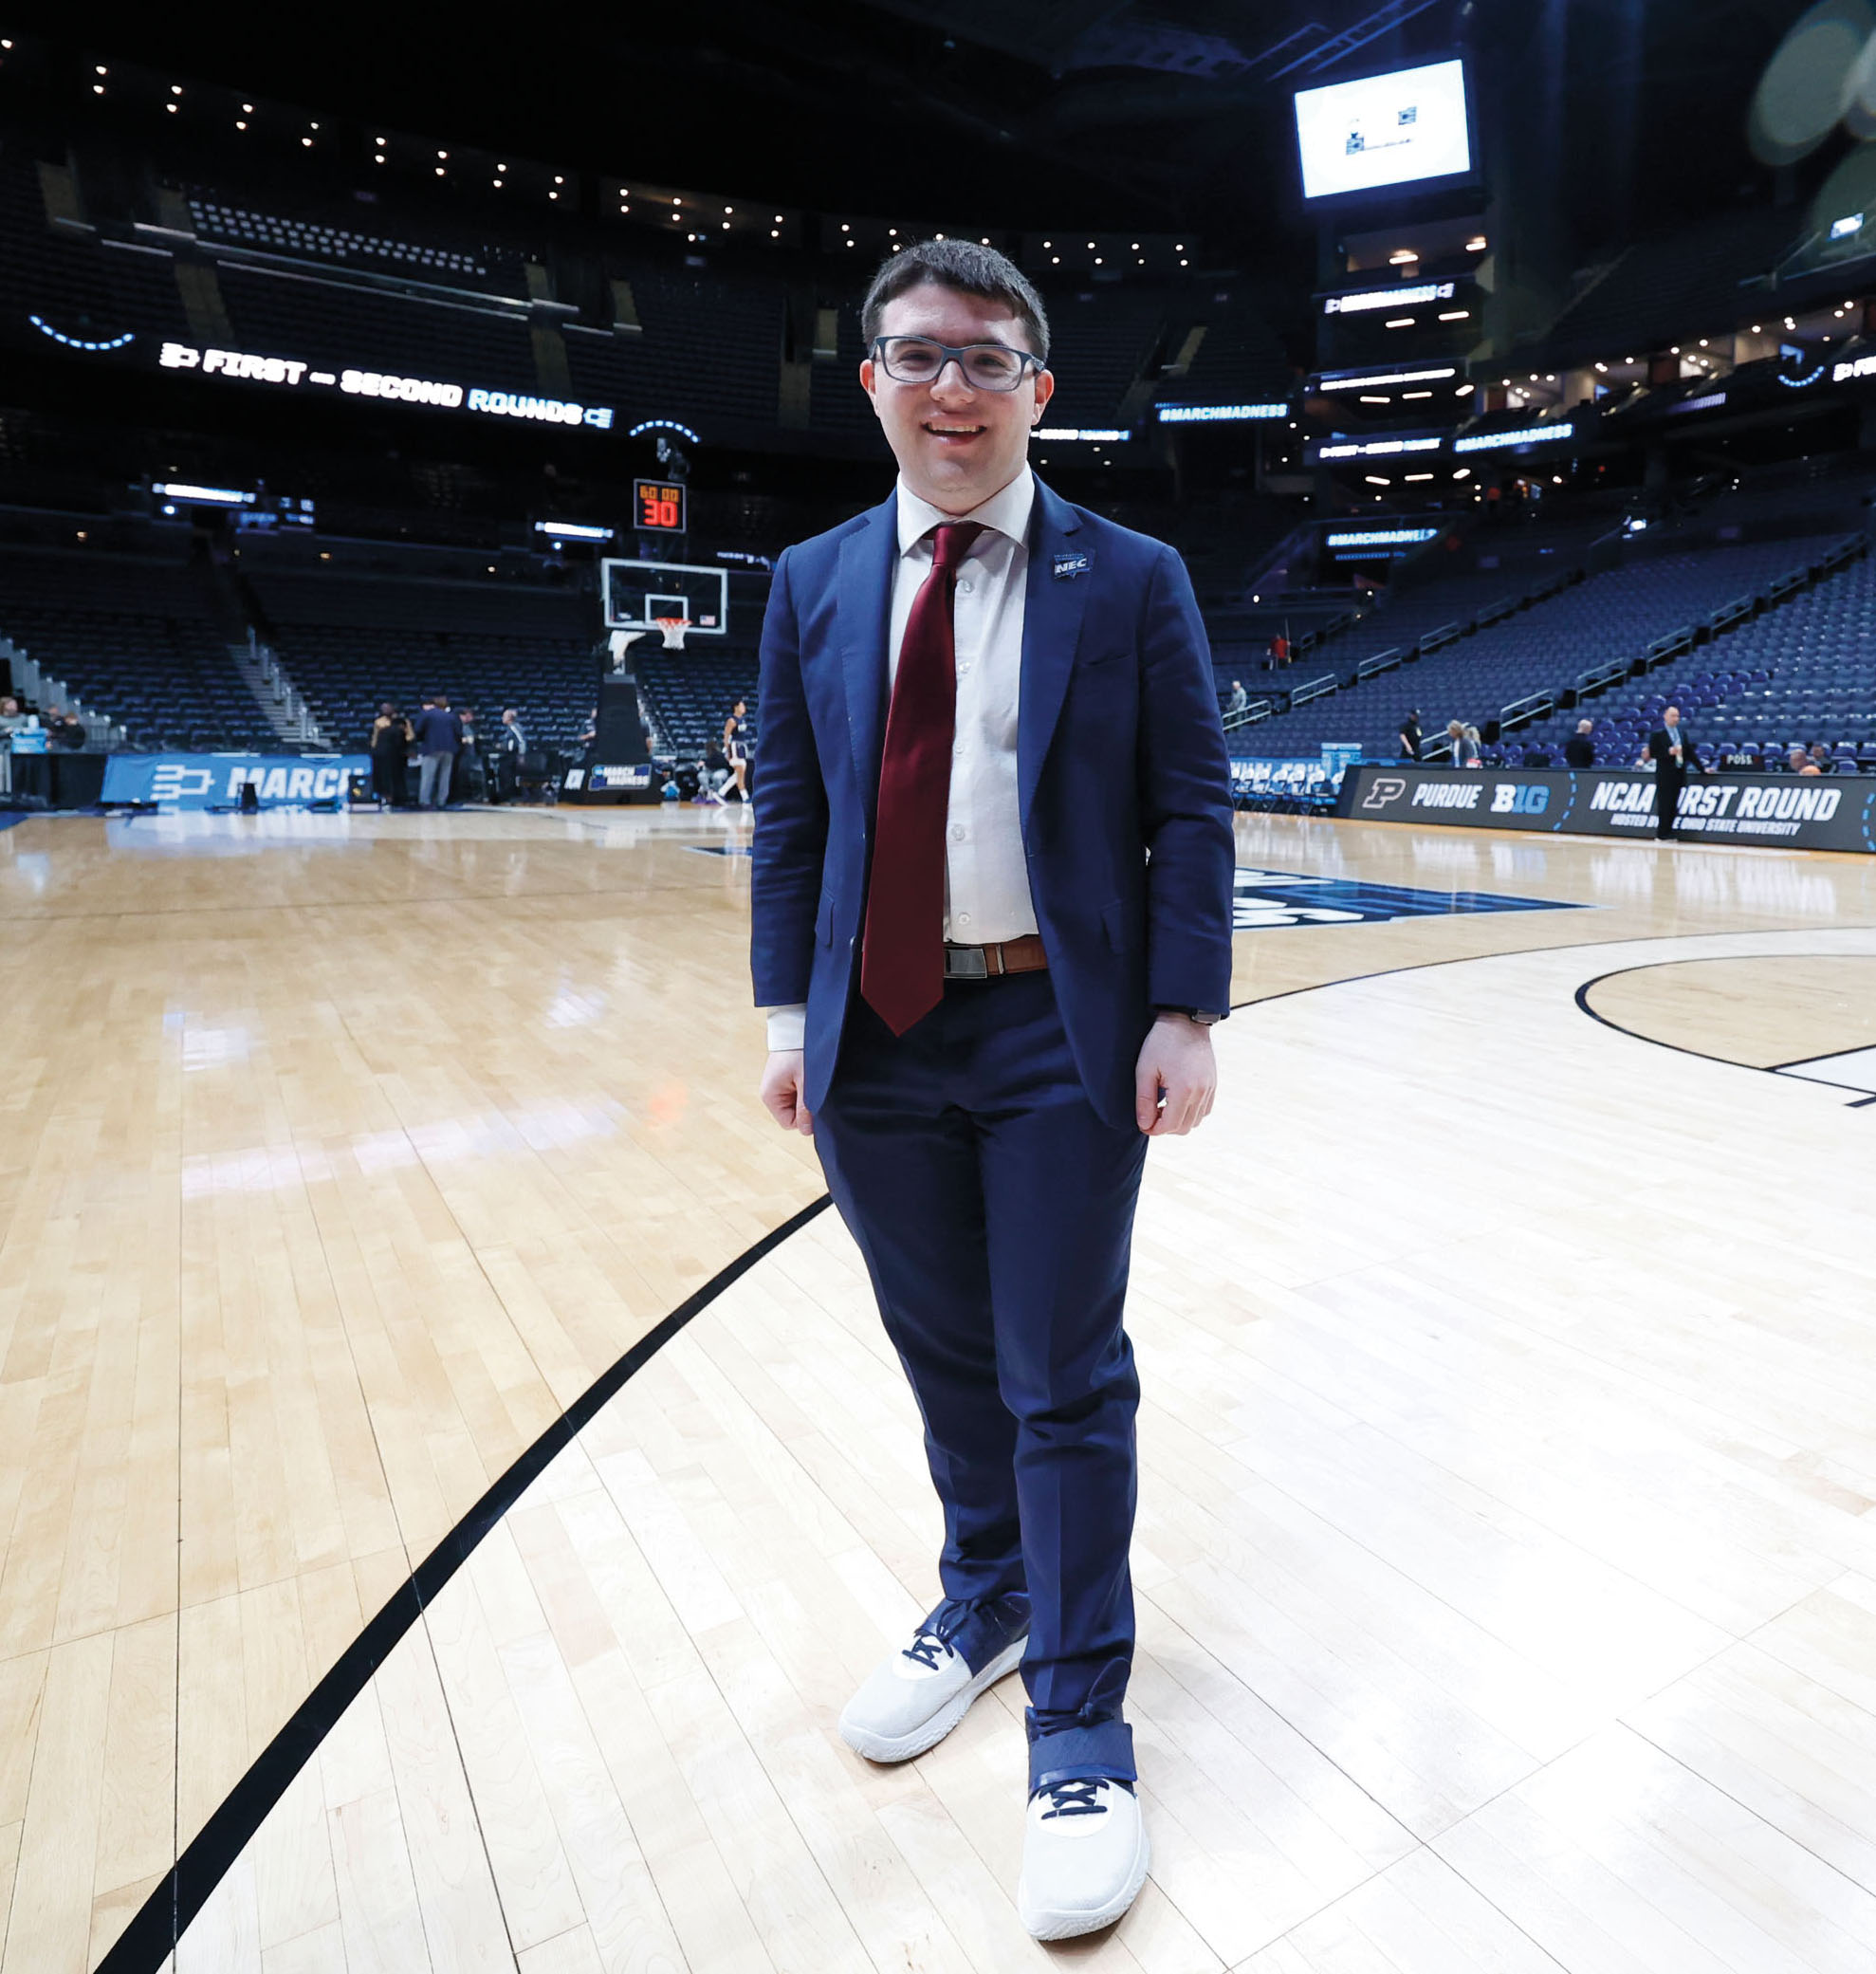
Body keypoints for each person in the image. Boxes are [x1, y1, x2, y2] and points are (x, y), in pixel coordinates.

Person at [751, 239, 1232, 1942]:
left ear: (1036, 388)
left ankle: (1080, 1723)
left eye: (983, 360)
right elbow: (792, 819)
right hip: (870, 1031)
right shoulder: (808, 580)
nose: (947, 387)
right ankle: (987, 1590)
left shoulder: (1132, 573)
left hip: (1057, 1033)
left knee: (1059, 1371)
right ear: (870, 381)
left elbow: (1190, 801)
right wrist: (780, 1017)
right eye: (915, 356)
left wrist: (1180, 1008)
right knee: (941, 1348)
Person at [1647, 704, 1704, 839]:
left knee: (1673, 805)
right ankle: (1661, 833)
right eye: (1673, 715)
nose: (1676, 718)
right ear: (1665, 717)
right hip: (1664, 775)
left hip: (1678, 773)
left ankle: (1670, 831)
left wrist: (1702, 769)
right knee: (1664, 804)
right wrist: (1668, 752)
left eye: (1677, 716)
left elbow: (1690, 753)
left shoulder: (1682, 734)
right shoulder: (1657, 735)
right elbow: (1653, 753)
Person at [410, 693, 461, 810]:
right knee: (445, 776)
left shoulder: (427, 715)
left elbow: (418, 730)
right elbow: (458, 732)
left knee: (428, 776)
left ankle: (425, 801)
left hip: (431, 747)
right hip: (449, 748)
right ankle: (441, 801)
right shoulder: (452, 716)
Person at [370, 703, 411, 806]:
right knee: (384, 777)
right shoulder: (378, 722)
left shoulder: (403, 722)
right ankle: (387, 797)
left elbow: (410, 736)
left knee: (396, 777)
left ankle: (397, 798)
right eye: (383, 708)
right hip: (384, 755)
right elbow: (375, 738)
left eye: (388, 708)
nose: (385, 710)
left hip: (397, 754)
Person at [494, 709, 528, 803]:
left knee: (508, 776)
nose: (502, 718)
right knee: (505, 775)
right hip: (508, 756)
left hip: (513, 756)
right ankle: (505, 796)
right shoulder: (509, 728)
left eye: (504, 716)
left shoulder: (514, 727)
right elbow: (510, 742)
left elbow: (521, 741)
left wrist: (521, 756)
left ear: (510, 718)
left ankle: (509, 796)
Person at [723, 698, 751, 803]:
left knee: (739, 773)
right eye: (742, 705)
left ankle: (721, 793)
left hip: (742, 746)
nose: (744, 708)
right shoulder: (731, 720)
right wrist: (727, 750)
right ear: (736, 707)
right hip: (735, 747)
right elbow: (726, 736)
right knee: (740, 771)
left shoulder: (743, 719)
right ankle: (745, 797)